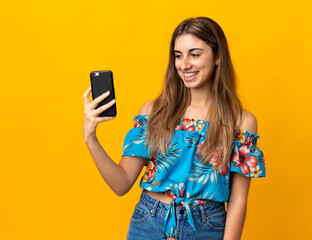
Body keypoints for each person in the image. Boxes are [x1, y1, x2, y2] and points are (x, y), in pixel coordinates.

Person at [83, 16, 265, 240]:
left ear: (218, 56)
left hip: (208, 228)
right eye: (178, 55)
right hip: (149, 222)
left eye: (194, 54)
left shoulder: (241, 122)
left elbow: (238, 200)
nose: (184, 64)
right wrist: (91, 138)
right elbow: (121, 184)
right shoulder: (153, 112)